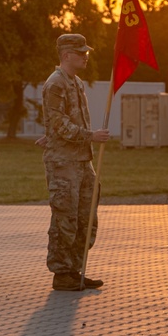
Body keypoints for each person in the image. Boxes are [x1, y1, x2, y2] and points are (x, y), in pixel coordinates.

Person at [41, 34, 109, 292]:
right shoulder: (55, 84)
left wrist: (53, 133)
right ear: (66, 55)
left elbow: (58, 124)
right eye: (81, 53)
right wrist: (90, 136)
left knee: (86, 217)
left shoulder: (76, 83)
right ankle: (62, 273)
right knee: (65, 218)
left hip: (81, 161)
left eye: (86, 52)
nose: (85, 56)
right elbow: (60, 124)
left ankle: (76, 269)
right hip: (64, 164)